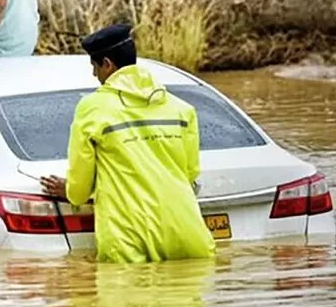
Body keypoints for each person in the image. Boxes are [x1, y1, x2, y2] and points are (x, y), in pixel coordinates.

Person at [40, 24, 215, 263]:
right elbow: (190, 173)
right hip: (186, 233)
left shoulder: (92, 108)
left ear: (107, 64)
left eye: (94, 66)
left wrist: (72, 190)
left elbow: (79, 191)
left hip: (128, 238)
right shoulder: (181, 109)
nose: (94, 75)